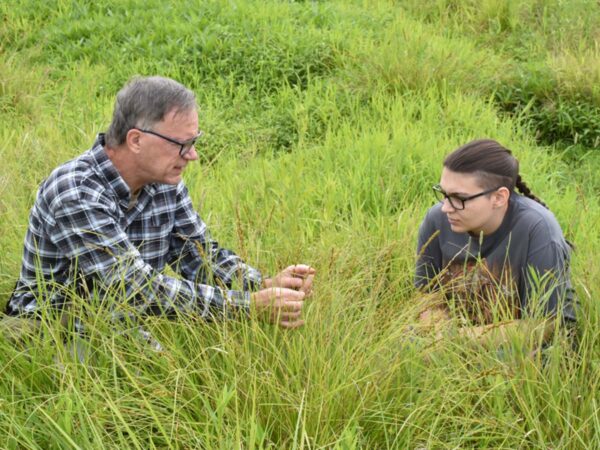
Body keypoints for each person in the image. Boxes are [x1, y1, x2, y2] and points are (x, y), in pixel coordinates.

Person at [5, 76, 315, 331]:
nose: (192, 155)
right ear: (136, 140)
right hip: (47, 328)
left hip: (116, 321)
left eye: (194, 142)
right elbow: (134, 289)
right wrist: (248, 306)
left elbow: (198, 255)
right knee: (140, 382)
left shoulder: (165, 180)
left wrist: (260, 284)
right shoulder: (76, 192)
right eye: (182, 145)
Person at [415, 139, 576, 344]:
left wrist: (456, 340)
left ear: (499, 197)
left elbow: (544, 325)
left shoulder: (538, 229)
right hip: (458, 333)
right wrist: (439, 335)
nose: (446, 207)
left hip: (523, 345)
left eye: (459, 198)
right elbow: (427, 297)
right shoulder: (437, 219)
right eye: (444, 194)